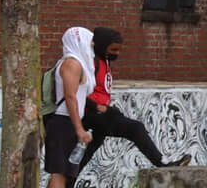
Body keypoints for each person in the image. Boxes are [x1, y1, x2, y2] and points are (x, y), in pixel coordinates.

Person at [77, 27, 188, 178]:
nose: (116, 53)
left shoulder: (105, 62)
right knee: (135, 128)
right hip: (92, 114)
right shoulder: (92, 63)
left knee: (80, 163)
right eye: (113, 49)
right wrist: (99, 107)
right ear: (102, 46)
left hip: (102, 115)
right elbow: (78, 91)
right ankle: (162, 163)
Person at [39, 27, 95, 188]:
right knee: (60, 173)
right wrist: (79, 128)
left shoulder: (72, 62)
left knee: (59, 171)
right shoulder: (72, 63)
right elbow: (70, 96)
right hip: (63, 122)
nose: (91, 47)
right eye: (89, 42)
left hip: (64, 121)